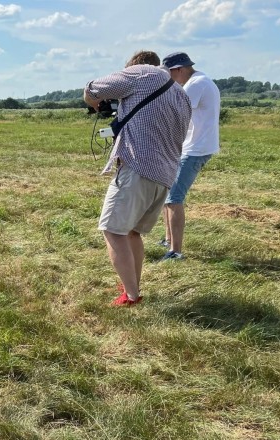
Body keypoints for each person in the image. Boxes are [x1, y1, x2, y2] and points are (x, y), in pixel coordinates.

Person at [84, 51, 192, 306]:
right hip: (165, 175)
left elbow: (91, 88)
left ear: (133, 67)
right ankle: (132, 286)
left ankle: (131, 295)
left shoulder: (141, 73)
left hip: (138, 168)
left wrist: (93, 103)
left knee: (112, 229)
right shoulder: (180, 94)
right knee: (132, 233)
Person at [158, 52, 221, 261]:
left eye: (170, 74)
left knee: (174, 198)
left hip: (195, 149)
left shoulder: (195, 84)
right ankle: (168, 239)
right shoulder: (199, 80)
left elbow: (175, 112)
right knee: (168, 195)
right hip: (192, 146)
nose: (169, 79)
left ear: (179, 69)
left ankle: (175, 251)